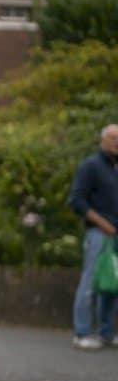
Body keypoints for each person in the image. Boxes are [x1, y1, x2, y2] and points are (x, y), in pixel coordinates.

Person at [68, 124, 118, 350]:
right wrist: (102, 223)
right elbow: (77, 201)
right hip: (98, 233)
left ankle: (106, 333)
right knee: (90, 283)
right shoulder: (91, 166)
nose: (117, 142)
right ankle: (82, 333)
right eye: (113, 138)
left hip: (115, 235)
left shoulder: (115, 168)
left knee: (111, 284)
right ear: (103, 140)